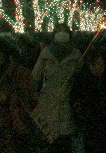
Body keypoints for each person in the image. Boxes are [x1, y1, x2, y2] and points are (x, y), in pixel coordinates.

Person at [0, 36, 37, 153]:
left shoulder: (21, 73)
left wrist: (7, 98)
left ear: (0, 55)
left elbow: (30, 100)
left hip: (14, 131)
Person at [31, 23, 81, 153]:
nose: (62, 33)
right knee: (51, 139)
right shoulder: (46, 52)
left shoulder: (76, 54)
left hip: (68, 101)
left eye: (64, 31)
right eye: (59, 31)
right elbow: (36, 76)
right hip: (49, 101)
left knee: (65, 140)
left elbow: (81, 77)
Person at [71, 46, 106, 153]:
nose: (100, 68)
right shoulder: (82, 81)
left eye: (102, 64)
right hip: (91, 127)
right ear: (90, 65)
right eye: (97, 64)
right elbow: (76, 102)